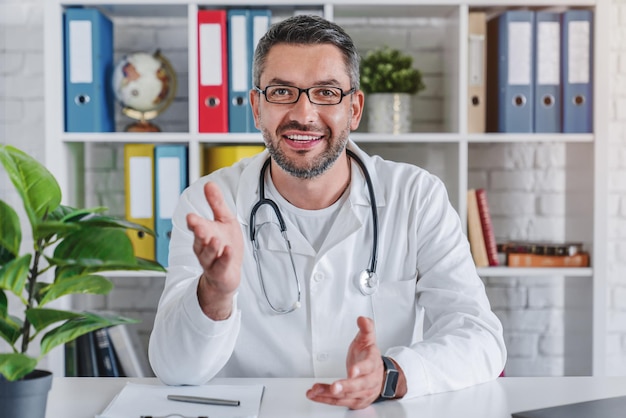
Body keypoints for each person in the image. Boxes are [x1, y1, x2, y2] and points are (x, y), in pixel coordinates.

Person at [148, 14, 506, 410]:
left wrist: (390, 375)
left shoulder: (416, 196)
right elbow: (175, 369)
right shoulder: (209, 204)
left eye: (326, 92)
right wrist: (215, 292)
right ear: (256, 107)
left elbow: (480, 338)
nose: (304, 113)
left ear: (354, 108)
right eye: (282, 92)